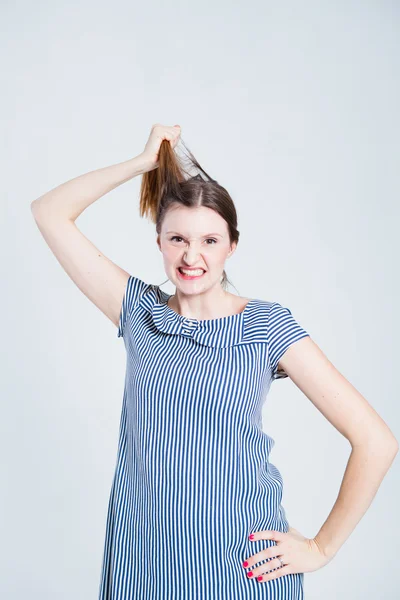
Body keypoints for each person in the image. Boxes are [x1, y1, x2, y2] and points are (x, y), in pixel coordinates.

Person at [31, 123, 398, 599]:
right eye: (177, 239)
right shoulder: (139, 315)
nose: (191, 255)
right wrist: (142, 164)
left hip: (242, 571)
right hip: (141, 570)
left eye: (209, 240)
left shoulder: (266, 327)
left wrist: (322, 548)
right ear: (159, 243)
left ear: (231, 246)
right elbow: (49, 213)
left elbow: (376, 441)